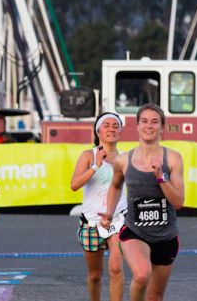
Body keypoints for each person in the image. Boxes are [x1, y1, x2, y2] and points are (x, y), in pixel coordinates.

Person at [100, 104, 184, 301]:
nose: (149, 125)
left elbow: (179, 202)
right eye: (144, 121)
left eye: (155, 122)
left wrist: (160, 177)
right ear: (137, 126)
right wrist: (109, 212)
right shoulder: (123, 161)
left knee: (155, 297)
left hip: (166, 235)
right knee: (142, 274)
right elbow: (115, 186)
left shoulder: (172, 158)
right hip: (135, 232)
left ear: (162, 128)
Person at [70, 112, 127, 301]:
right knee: (95, 274)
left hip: (118, 220)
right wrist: (95, 165)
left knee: (116, 268)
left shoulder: (126, 158)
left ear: (120, 131)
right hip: (91, 222)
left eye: (115, 126)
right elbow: (74, 185)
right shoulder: (89, 155)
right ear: (98, 131)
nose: (111, 129)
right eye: (107, 125)